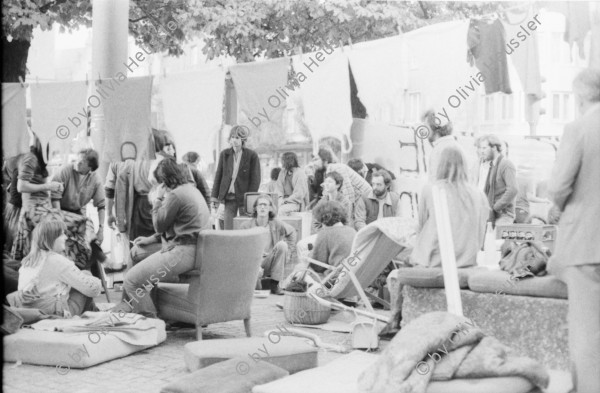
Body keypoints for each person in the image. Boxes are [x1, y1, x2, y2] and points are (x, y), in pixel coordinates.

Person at [547, 68, 600, 393]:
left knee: (587, 334)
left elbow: (558, 185)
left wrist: (557, 200)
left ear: (580, 96)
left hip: (588, 243)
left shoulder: (579, 128)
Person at [114, 159, 211, 317]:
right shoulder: (190, 189)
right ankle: (129, 307)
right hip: (194, 248)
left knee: (131, 280)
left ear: (165, 181)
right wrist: (151, 239)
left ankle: (150, 321)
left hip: (183, 251)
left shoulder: (175, 195)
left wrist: (158, 199)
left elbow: (159, 224)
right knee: (136, 252)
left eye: (159, 183)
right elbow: (175, 225)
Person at [411, 146, 489, 268]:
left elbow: (421, 227)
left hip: (435, 262)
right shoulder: (479, 195)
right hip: (467, 263)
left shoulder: (431, 189)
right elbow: (480, 233)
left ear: (440, 164)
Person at [10, 219, 101, 317]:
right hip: (56, 312)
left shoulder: (28, 261)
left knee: (76, 281)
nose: (66, 237)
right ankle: (94, 313)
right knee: (86, 276)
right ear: (52, 238)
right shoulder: (56, 260)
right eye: (62, 234)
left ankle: (93, 312)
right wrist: (93, 279)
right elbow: (93, 290)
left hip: (31, 311)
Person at [240, 194, 296, 295]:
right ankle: (256, 283)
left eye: (265, 205)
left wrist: (289, 254)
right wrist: (253, 264)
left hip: (270, 261)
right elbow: (240, 249)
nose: (262, 207)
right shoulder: (245, 226)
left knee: (282, 245)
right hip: (253, 263)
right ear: (255, 208)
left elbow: (292, 232)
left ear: (270, 208)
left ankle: (275, 284)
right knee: (257, 290)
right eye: (260, 205)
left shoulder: (276, 224)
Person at [51, 148, 105, 244]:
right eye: (77, 159)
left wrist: (101, 230)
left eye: (82, 161)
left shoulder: (96, 179)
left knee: (89, 232)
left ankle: (96, 256)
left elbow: (101, 206)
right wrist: (59, 221)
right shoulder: (65, 170)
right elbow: (54, 197)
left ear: (90, 167)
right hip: (58, 210)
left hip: (77, 212)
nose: (78, 162)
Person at [211, 125, 261, 230]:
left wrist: (250, 198)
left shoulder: (252, 155)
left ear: (243, 139)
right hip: (229, 197)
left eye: (237, 137)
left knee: (245, 228)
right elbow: (218, 175)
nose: (234, 140)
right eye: (232, 137)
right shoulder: (224, 154)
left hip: (244, 198)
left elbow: (255, 179)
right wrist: (214, 197)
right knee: (228, 228)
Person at [471, 134, 518, 227]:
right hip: (489, 214)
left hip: (503, 215)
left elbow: (513, 190)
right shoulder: (489, 165)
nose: (481, 151)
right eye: (480, 148)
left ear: (494, 148)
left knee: (496, 239)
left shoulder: (506, 164)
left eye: (484, 148)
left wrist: (495, 207)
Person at [312, 147, 371, 216]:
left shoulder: (337, 168)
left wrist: (348, 220)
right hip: (358, 202)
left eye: (316, 159)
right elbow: (326, 196)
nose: (313, 163)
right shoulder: (326, 172)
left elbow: (349, 195)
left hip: (368, 201)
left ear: (325, 160)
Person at [308, 201, 356, 274]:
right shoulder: (352, 231)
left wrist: (309, 255)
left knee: (302, 267)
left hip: (334, 277)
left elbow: (317, 266)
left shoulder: (325, 233)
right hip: (352, 273)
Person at [422, 109, 461, 182]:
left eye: (426, 126)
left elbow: (435, 183)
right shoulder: (455, 145)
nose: (423, 131)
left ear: (435, 127)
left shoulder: (438, 151)